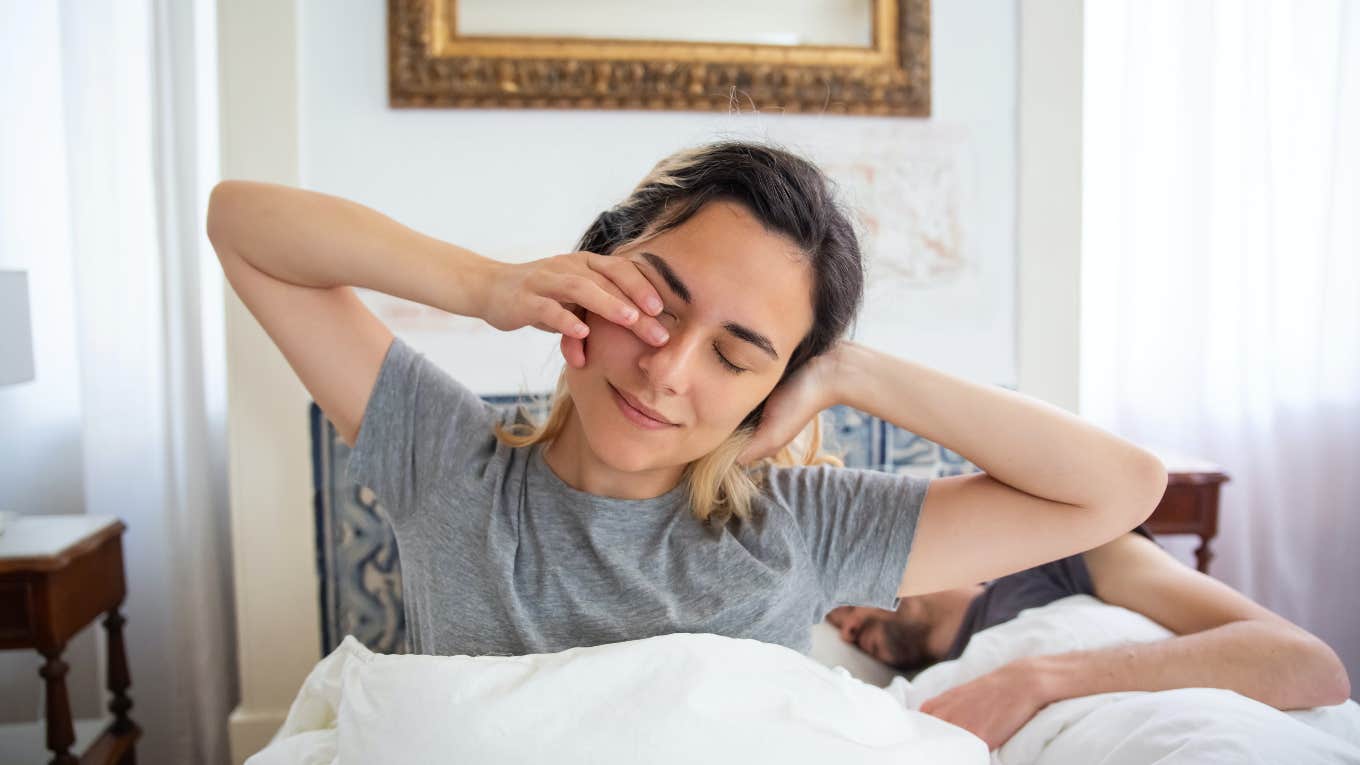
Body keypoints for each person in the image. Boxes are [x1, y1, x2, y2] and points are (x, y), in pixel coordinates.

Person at [205, 140, 1167, 660]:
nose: (667, 371)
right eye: (656, 305)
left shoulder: (804, 527)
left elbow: (1119, 488)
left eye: (739, 354)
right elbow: (241, 220)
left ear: (775, 384)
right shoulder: (448, 463)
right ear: (593, 265)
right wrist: (486, 285)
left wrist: (850, 372)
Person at [827, 528, 1352, 750]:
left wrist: (1036, 679)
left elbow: (1311, 666)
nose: (848, 629)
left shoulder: (1063, 562)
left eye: (845, 603)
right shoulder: (911, 699)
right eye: (838, 630)